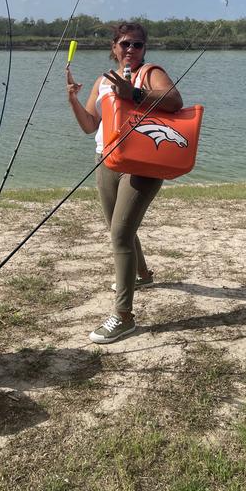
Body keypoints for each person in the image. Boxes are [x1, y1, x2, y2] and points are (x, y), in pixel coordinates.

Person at [66, 21, 182, 343]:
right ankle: (142, 275)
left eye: (137, 45)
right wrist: (73, 99)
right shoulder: (103, 81)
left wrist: (132, 93)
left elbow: (174, 100)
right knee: (119, 228)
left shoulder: (150, 73)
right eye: (124, 44)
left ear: (145, 49)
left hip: (143, 164)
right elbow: (90, 125)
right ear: (113, 47)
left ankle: (124, 316)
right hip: (107, 161)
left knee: (120, 233)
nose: (130, 50)